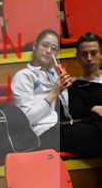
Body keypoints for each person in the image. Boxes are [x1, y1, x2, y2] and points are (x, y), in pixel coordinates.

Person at [11, 28, 102, 157]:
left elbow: (70, 111)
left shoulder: (54, 76)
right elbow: (26, 119)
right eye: (45, 45)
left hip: (63, 127)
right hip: (42, 133)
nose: (49, 51)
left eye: (53, 48)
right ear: (35, 46)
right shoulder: (23, 76)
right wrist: (55, 92)